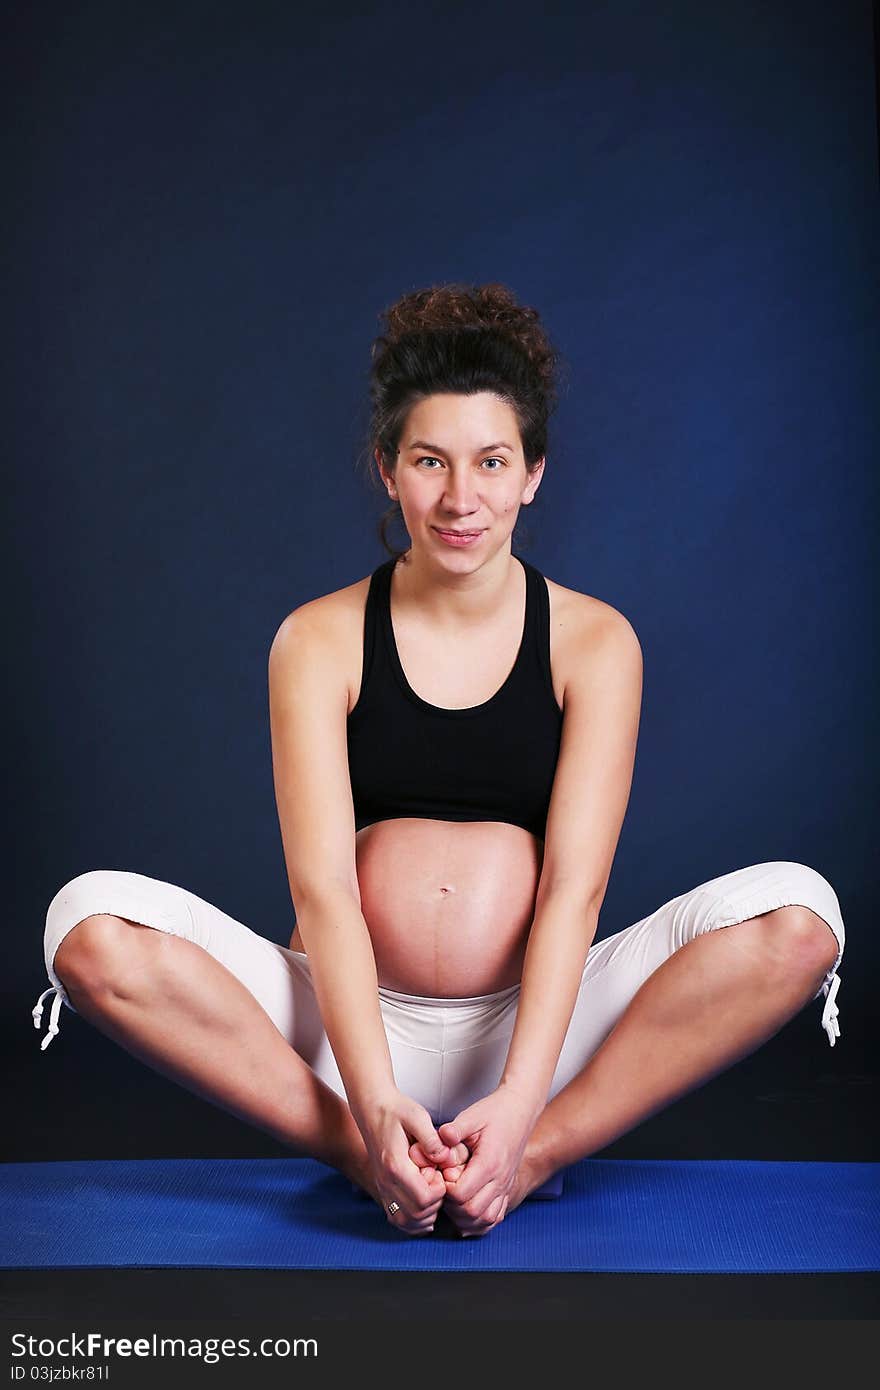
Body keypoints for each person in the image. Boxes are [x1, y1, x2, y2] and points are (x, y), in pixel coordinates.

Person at [33, 282, 845, 1242]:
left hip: (539, 1032)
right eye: (431, 461)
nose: (462, 498)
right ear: (388, 469)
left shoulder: (594, 641)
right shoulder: (319, 639)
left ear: (533, 473)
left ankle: (529, 1152)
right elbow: (324, 890)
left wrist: (523, 1105)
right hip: (343, 1032)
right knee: (85, 923)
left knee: (801, 916)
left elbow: (573, 896)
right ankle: (361, 1150)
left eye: (492, 462)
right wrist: (373, 1107)